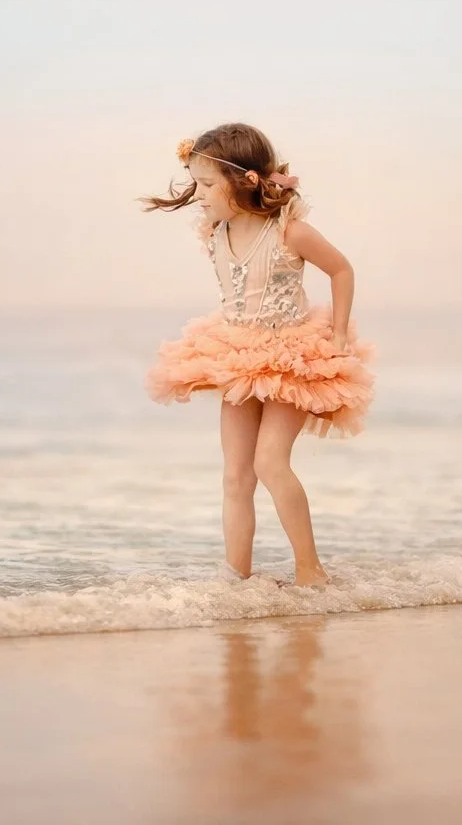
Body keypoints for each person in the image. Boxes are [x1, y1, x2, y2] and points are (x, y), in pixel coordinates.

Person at [140, 123, 375, 587]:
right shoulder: (214, 230)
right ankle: (236, 579)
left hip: (290, 356)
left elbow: (342, 269)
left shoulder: (291, 232)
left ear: (245, 180)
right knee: (235, 477)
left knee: (270, 462)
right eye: (196, 184)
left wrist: (341, 333)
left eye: (208, 184)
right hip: (235, 353)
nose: (199, 195)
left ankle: (311, 571)